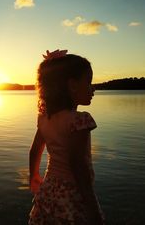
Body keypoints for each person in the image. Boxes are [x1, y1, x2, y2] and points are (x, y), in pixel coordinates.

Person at [28, 49, 104, 225]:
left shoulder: (45, 118)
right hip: (72, 193)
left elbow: (34, 150)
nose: (93, 88)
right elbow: (79, 165)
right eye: (89, 82)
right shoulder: (79, 120)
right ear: (73, 85)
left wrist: (33, 176)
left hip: (49, 189)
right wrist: (92, 206)